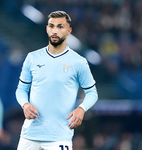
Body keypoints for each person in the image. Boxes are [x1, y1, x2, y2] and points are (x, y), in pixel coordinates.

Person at [15, 10, 98, 150]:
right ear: (47, 29)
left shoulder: (78, 62)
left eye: (60, 27)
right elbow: (21, 89)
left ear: (68, 30)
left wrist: (81, 109)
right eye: (51, 26)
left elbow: (92, 92)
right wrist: (25, 104)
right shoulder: (32, 58)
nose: (55, 30)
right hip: (30, 134)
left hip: (59, 136)